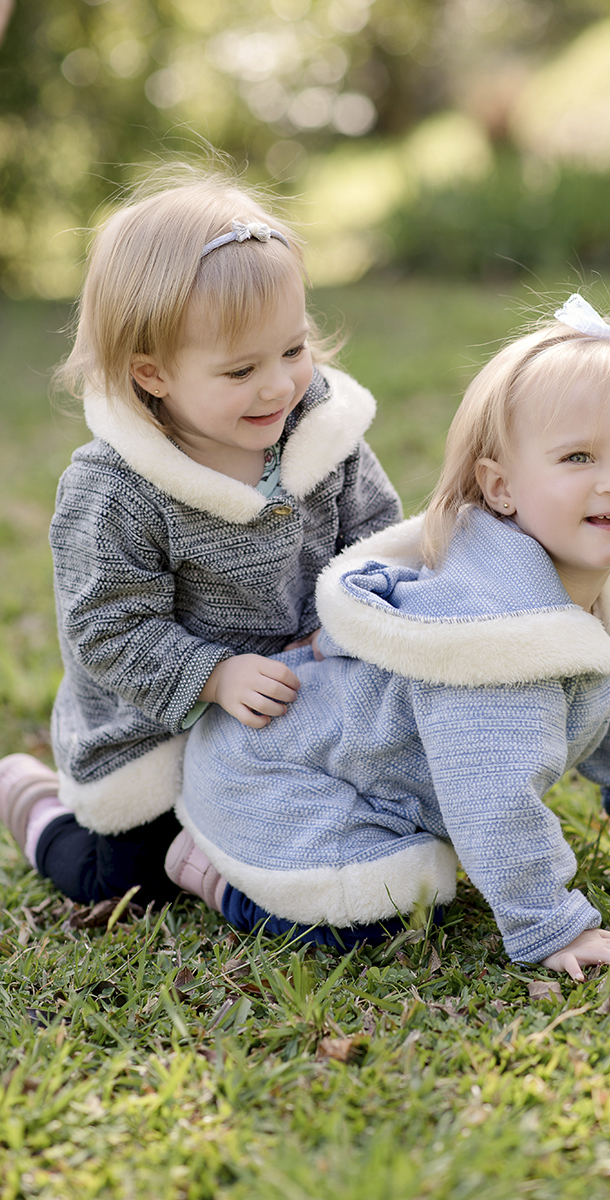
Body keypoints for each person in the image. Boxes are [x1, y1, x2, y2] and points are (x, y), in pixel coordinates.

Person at [174, 296, 610, 977]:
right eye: (577, 456)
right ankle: (203, 864)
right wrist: (554, 930)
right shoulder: (489, 636)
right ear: (501, 488)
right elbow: (493, 797)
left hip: (361, 779)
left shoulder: (596, 594)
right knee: (382, 914)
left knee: (426, 881)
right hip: (277, 778)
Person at [0, 166, 402, 909]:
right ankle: (30, 800)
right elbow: (107, 627)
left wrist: (367, 618)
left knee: (343, 814)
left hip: (298, 700)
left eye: (292, 349)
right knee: (124, 881)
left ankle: (235, 856)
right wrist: (216, 676)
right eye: (240, 369)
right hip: (161, 730)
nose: (278, 386)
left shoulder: (320, 432)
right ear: (151, 374)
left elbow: (375, 535)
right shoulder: (117, 488)